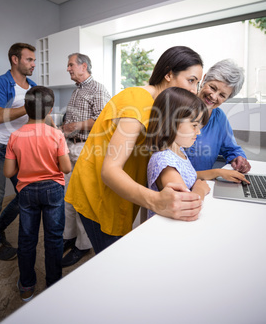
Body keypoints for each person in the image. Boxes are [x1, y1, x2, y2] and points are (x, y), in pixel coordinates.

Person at [65, 46, 205, 255]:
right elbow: (110, 170)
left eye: (198, 83)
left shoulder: (161, 106)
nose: (194, 90)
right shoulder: (138, 103)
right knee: (111, 261)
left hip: (120, 192)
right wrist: (156, 201)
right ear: (168, 74)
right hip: (97, 192)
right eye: (191, 80)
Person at [3, 86, 71, 302]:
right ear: (50, 109)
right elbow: (66, 168)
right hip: (53, 189)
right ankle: (54, 283)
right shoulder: (56, 134)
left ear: (25, 108)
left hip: (27, 192)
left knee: (27, 238)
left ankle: (26, 286)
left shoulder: (15, 136)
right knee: (53, 238)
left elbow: (8, 172)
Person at [146, 87, 249, 218]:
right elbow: (186, 206)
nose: (198, 132)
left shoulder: (177, 151)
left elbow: (187, 175)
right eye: (194, 125)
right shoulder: (166, 163)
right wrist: (200, 189)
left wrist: (218, 172)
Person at [61, 52, 111, 267]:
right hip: (72, 148)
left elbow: (103, 119)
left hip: (86, 149)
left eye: (71, 65)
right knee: (69, 198)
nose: (68, 68)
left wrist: (76, 126)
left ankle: (83, 245)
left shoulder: (97, 88)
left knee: (82, 200)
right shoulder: (78, 89)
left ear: (83, 66)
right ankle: (69, 237)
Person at [0, 42, 36, 261]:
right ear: (15, 59)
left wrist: (55, 130)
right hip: (0, 148)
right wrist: (30, 105)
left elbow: (40, 114)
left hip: (21, 150)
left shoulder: (33, 86)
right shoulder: (2, 83)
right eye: (29, 59)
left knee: (25, 195)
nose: (33, 64)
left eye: (33, 60)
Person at [186, 59, 251, 173]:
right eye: (212, 87)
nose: (214, 97)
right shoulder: (179, 105)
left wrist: (238, 158)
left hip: (204, 187)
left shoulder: (219, 118)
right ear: (204, 80)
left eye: (222, 95)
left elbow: (232, 149)